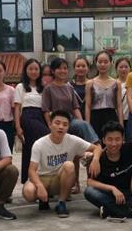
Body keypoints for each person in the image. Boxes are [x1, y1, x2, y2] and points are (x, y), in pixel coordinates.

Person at [22, 110, 101, 218]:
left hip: (59, 179)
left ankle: (61, 202)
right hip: (42, 178)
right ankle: (43, 200)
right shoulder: (39, 144)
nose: (61, 127)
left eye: (65, 124)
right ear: (50, 124)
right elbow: (31, 170)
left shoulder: (72, 140)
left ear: (68, 127)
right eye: (57, 123)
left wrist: (95, 159)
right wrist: (39, 186)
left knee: (69, 165)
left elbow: (97, 148)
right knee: (29, 192)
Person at [42, 57, 99, 194]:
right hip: (57, 124)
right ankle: (74, 184)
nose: (62, 71)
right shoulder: (48, 89)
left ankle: (95, 148)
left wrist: (82, 123)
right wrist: (50, 125)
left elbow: (75, 108)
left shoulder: (69, 87)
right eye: (59, 68)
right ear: (53, 71)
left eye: (65, 68)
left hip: (71, 121)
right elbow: (45, 110)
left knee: (82, 141)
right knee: (72, 155)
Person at [84, 121, 132, 221]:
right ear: (103, 140)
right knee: (89, 192)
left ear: (123, 139)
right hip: (110, 196)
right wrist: (112, 188)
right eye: (110, 139)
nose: (114, 143)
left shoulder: (129, 148)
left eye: (117, 139)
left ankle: (111, 210)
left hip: (130, 195)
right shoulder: (99, 160)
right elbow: (90, 182)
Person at [14, 58, 50, 184]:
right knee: (35, 145)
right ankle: (29, 179)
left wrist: (49, 124)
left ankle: (40, 177)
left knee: (37, 147)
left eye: (36, 69)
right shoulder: (20, 87)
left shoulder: (43, 88)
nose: (34, 71)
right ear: (26, 70)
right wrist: (18, 127)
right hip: (28, 117)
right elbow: (17, 108)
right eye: (31, 69)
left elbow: (45, 108)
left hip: (41, 116)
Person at [85, 50, 123, 138]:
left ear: (111, 63)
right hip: (95, 117)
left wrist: (121, 125)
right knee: (97, 142)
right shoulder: (90, 83)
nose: (103, 64)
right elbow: (88, 105)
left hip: (111, 116)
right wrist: (87, 125)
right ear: (96, 63)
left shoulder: (117, 83)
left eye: (106, 62)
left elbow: (119, 105)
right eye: (100, 62)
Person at [115, 57, 131, 129]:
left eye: (126, 67)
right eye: (121, 67)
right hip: (116, 118)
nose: (123, 69)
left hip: (131, 118)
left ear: (130, 68)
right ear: (116, 69)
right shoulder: (113, 84)